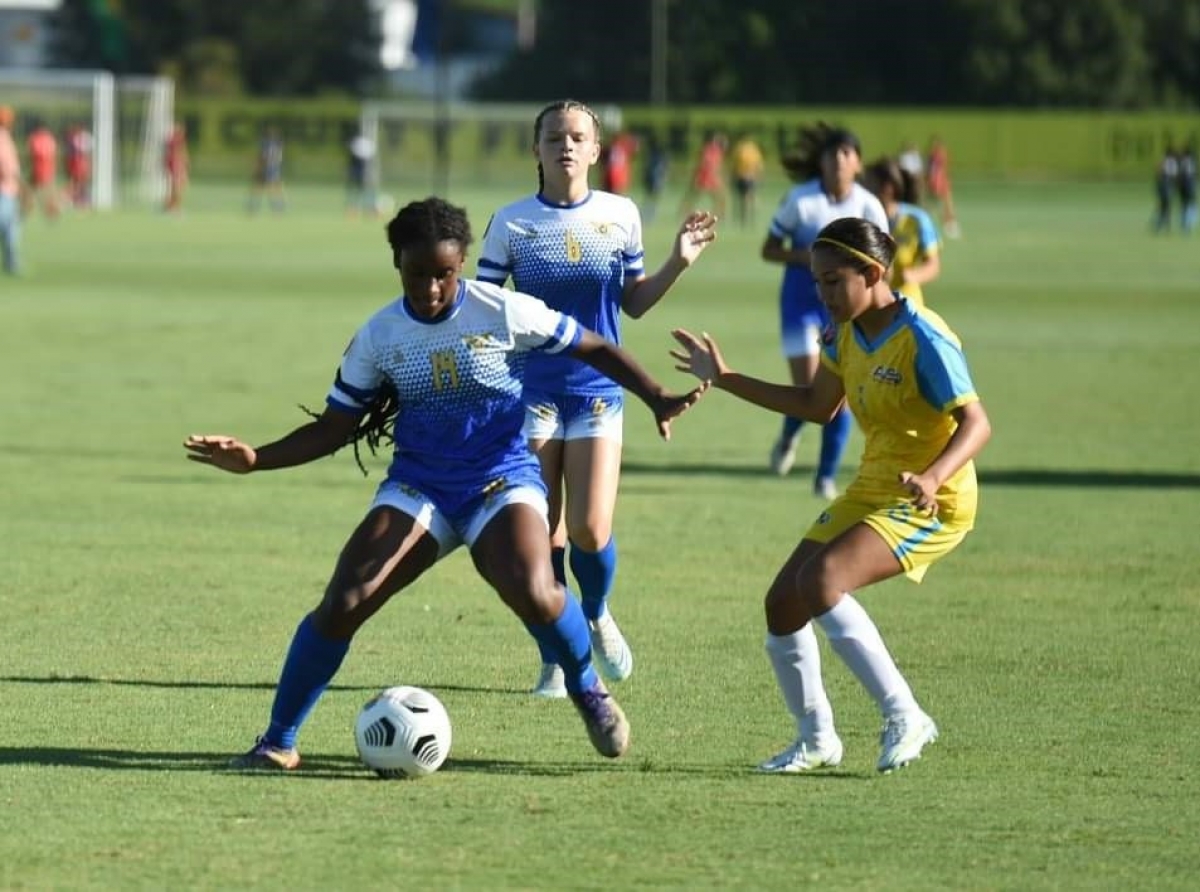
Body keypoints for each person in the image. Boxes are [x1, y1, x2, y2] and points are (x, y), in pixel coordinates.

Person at [183, 197, 707, 770]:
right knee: (345, 601)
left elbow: (596, 345)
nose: (431, 287)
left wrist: (656, 395)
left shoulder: (502, 309)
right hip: (420, 487)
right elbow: (336, 427)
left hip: (500, 480)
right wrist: (257, 458)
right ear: (397, 265)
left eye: (444, 274)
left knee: (534, 587)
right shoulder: (380, 335)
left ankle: (586, 686)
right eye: (418, 274)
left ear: (461, 265)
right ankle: (278, 742)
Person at [671, 216, 992, 775]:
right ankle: (816, 740)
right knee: (783, 603)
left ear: (872, 272)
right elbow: (819, 407)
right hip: (874, 486)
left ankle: (905, 715)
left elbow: (978, 424)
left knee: (822, 581)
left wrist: (935, 478)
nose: (822, 294)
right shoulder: (847, 332)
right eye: (817, 282)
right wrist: (725, 377)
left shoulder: (923, 338)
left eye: (832, 281)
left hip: (934, 500)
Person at [477, 99, 718, 699]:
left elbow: (632, 303)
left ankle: (599, 612)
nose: (565, 145)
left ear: (595, 149)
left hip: (597, 393)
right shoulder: (511, 223)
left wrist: (677, 264)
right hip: (531, 393)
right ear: (535, 149)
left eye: (577, 136)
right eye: (553, 136)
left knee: (588, 527)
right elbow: (481, 305)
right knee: (541, 534)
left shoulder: (621, 215)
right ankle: (555, 660)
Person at [762, 122, 888, 498]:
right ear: (820, 161)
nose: (837, 160)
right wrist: (804, 256)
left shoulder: (868, 206)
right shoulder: (801, 200)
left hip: (845, 309)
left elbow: (883, 264)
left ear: (858, 164)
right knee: (809, 388)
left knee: (839, 394)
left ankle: (825, 477)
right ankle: (788, 437)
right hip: (801, 303)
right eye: (831, 153)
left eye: (846, 153)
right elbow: (768, 248)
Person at [863, 156, 941, 308]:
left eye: (868, 184)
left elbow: (933, 265)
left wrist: (912, 275)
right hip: (870, 306)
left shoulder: (916, 219)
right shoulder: (862, 218)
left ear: (887, 188)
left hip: (907, 303)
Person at [678, 130, 728, 219]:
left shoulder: (717, 151)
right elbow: (706, 162)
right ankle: (683, 212)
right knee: (693, 196)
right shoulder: (710, 149)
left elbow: (715, 165)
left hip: (710, 177)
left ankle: (718, 215)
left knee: (719, 198)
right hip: (705, 177)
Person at [925, 136, 960, 239]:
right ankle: (948, 225)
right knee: (938, 205)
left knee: (945, 205)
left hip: (941, 182)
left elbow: (937, 170)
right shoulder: (935, 155)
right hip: (937, 182)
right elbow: (932, 171)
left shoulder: (938, 154)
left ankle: (950, 225)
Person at [24, 119, 60, 220]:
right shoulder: (50, 138)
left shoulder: (35, 138)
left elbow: (33, 152)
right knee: (49, 192)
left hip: (38, 168)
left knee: (30, 190)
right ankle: (52, 212)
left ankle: (26, 209)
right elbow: (53, 153)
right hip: (49, 169)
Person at [0, 105, 21, 276]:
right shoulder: (2, 138)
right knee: (7, 227)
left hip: (8, 190)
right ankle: (12, 263)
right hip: (4, 190)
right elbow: (8, 169)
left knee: (10, 228)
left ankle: (12, 263)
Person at [729, 132, 765, 228]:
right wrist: (760, 175)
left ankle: (745, 217)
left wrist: (732, 176)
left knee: (744, 198)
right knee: (748, 197)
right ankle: (750, 215)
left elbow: (734, 164)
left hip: (742, 176)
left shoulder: (740, 148)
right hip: (750, 176)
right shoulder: (754, 149)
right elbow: (759, 164)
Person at [247, 125, 286, 214]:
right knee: (272, 188)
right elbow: (279, 158)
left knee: (262, 188)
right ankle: (278, 207)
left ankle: (254, 207)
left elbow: (262, 157)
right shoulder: (278, 144)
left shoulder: (266, 143)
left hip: (267, 168)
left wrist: (257, 167)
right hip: (273, 168)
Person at [345, 129, 378, 217]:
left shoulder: (362, 143)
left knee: (365, 190)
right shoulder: (358, 143)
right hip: (358, 170)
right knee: (357, 190)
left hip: (363, 170)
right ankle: (354, 209)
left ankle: (370, 209)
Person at [640, 131, 669, 223]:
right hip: (654, 178)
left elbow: (662, 167)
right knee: (652, 196)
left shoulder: (656, 154)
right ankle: (650, 213)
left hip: (654, 177)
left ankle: (650, 213)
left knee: (651, 196)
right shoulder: (656, 154)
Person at [64, 122, 93, 210]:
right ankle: (76, 200)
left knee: (80, 183)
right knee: (77, 183)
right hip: (78, 163)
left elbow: (86, 152)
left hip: (80, 163)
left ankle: (81, 200)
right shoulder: (77, 138)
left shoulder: (79, 138)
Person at [163, 122, 189, 214]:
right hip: (175, 164)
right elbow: (180, 152)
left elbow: (182, 153)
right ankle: (173, 207)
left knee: (175, 187)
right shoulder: (175, 140)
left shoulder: (174, 140)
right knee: (175, 187)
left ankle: (172, 206)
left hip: (176, 164)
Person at [1152, 144, 1178, 234]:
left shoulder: (1163, 160)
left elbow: (1158, 173)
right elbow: (1174, 176)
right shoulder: (1172, 162)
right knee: (1167, 207)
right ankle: (1166, 226)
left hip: (1161, 187)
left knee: (1162, 206)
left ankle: (1158, 225)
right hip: (1167, 187)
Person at [1175, 141, 1196, 233]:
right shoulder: (1191, 161)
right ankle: (1187, 223)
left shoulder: (1185, 161)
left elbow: (1182, 175)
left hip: (1186, 185)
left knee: (1185, 205)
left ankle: (1186, 224)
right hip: (1189, 184)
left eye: (1182, 152)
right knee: (1188, 204)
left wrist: (1178, 185)